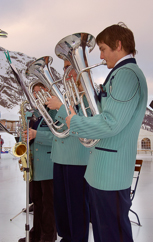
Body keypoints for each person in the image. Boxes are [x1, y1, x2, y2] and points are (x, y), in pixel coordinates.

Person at [65, 23, 148, 242]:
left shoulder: (127, 74)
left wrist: (75, 122)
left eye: (102, 48)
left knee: (112, 234)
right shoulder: (120, 74)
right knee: (105, 233)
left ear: (118, 45)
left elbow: (111, 123)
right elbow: (107, 114)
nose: (100, 56)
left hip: (110, 174)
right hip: (103, 171)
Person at [45, 59, 90, 242]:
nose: (65, 72)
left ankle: (78, 239)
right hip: (60, 157)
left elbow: (83, 125)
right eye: (64, 68)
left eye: (69, 68)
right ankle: (67, 237)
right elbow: (58, 125)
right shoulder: (66, 95)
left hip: (77, 159)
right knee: (62, 206)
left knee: (77, 208)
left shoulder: (87, 94)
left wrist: (61, 107)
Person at [18, 83, 57, 242]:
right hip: (33, 166)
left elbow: (60, 138)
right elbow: (26, 136)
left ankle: (47, 237)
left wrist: (36, 134)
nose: (36, 94)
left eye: (40, 90)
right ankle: (35, 235)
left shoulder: (55, 112)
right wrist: (23, 139)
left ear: (48, 91)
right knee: (38, 203)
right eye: (34, 92)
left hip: (49, 166)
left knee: (49, 206)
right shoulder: (32, 113)